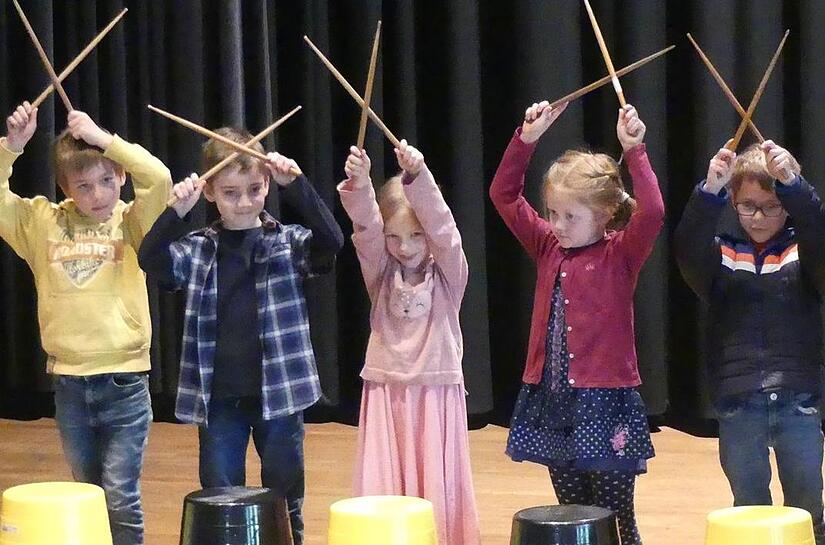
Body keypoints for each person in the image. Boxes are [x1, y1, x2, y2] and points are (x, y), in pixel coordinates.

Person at [137, 128, 344, 545]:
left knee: (285, 495)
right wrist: (176, 210)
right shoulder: (197, 248)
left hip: (280, 395)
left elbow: (332, 241)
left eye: (255, 189)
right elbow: (150, 258)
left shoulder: (286, 242)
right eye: (231, 192)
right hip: (218, 401)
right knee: (222, 495)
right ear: (210, 191)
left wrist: (298, 185)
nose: (245, 202)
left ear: (267, 182)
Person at [489, 101, 664, 545]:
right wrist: (524, 140)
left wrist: (635, 150)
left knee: (613, 512)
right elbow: (504, 195)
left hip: (604, 402)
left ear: (604, 215)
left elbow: (654, 211)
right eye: (552, 214)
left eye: (571, 216)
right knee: (571, 513)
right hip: (555, 399)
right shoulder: (548, 245)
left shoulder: (620, 253)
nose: (557, 225)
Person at [1, 101, 172, 545]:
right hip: (71, 384)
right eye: (84, 185)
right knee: (86, 494)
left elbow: (161, 179)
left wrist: (105, 140)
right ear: (66, 189)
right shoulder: (42, 223)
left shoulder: (133, 221)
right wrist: (12, 147)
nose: (99, 194)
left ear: (121, 177)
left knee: (120, 495)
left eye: (106, 180)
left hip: (125, 382)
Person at [674, 140, 825, 543]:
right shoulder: (722, 254)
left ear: (787, 206)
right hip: (739, 403)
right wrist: (709, 191)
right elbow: (687, 252)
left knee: (809, 507)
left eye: (771, 206)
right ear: (733, 203)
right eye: (746, 206)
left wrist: (794, 185)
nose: (757, 217)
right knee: (749, 508)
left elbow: (818, 230)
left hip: (798, 402)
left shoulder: (804, 252)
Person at [338, 139, 480, 545]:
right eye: (395, 237)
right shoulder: (381, 272)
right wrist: (361, 183)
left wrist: (418, 177)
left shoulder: (450, 273)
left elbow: (445, 230)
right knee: (386, 478)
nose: (405, 247)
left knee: (435, 479)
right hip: (386, 388)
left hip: (435, 390)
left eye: (416, 235)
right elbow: (365, 230)